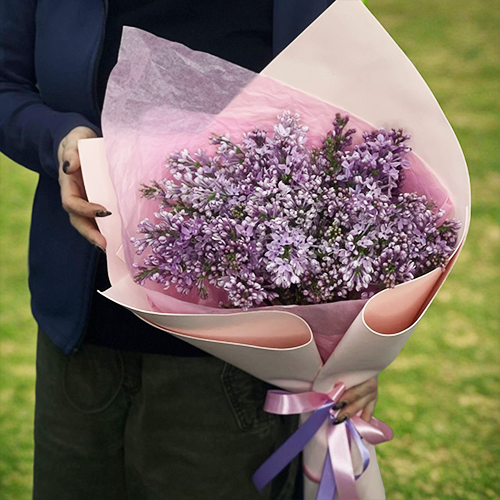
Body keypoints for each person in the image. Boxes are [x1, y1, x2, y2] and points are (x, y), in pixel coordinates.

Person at [0, 1, 379, 499]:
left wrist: (358, 342)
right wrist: (59, 142)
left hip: (235, 364)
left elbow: (359, 138)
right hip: (82, 343)